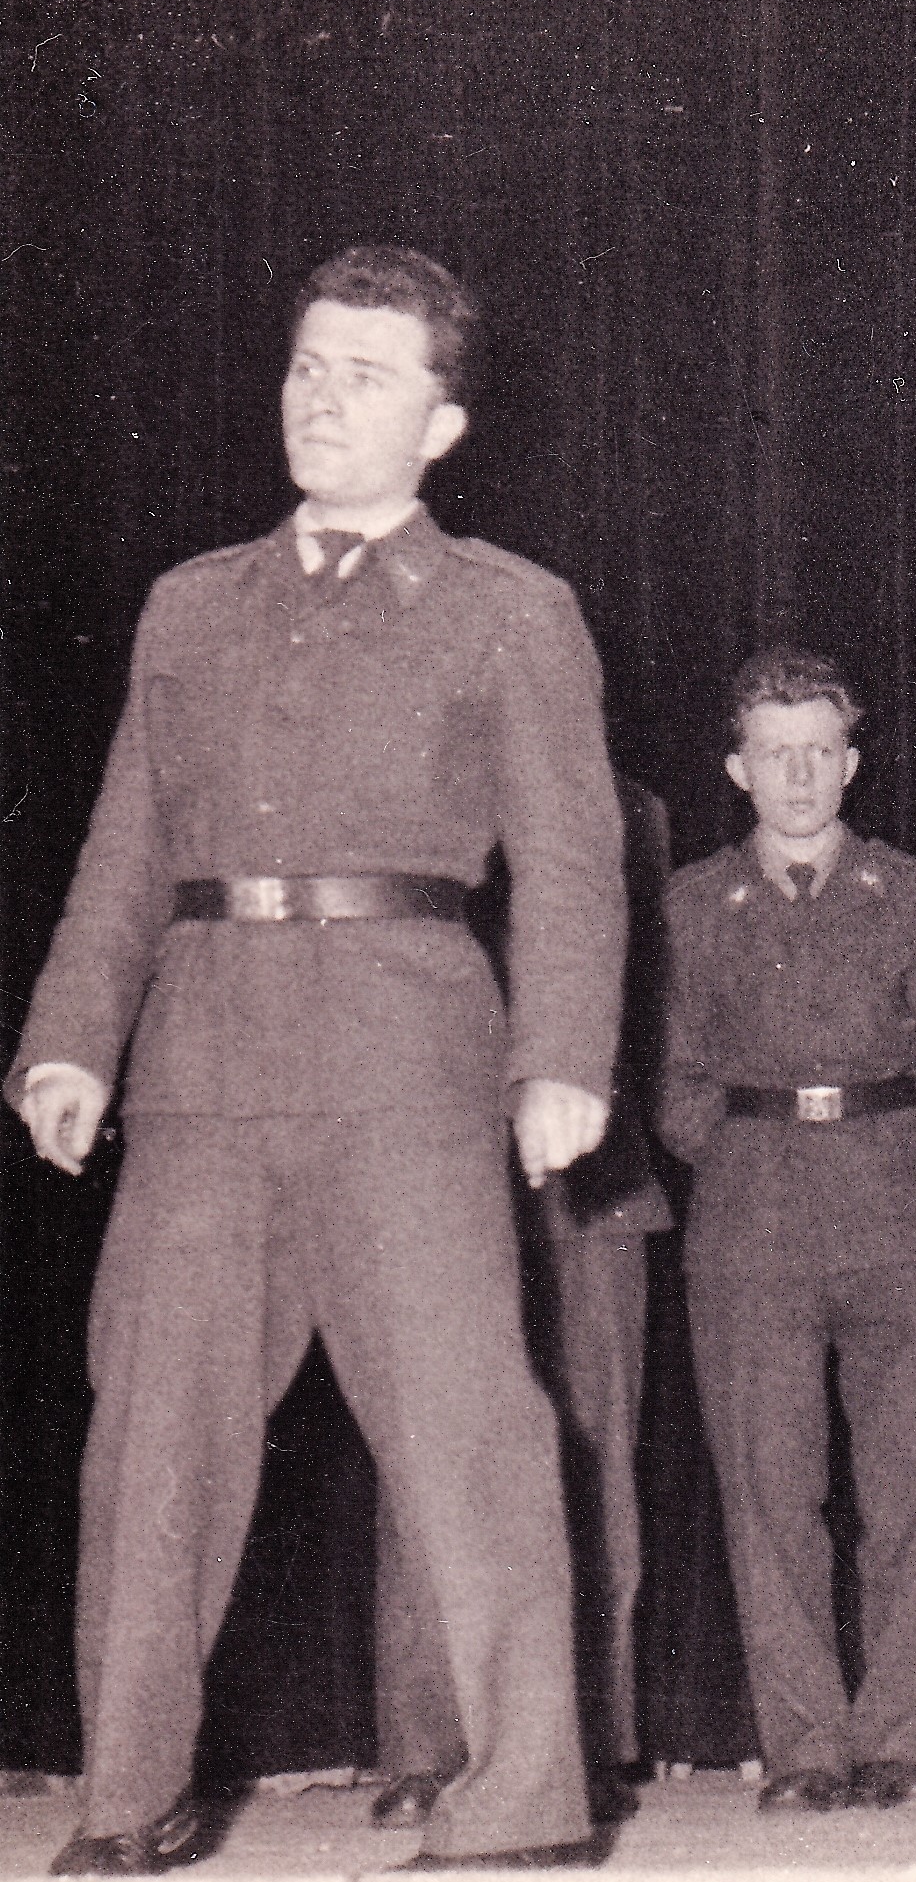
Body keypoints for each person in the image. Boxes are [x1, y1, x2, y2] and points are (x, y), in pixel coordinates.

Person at [8, 245, 616, 1874]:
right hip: (202, 1068)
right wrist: (71, 1039)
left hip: (407, 1071)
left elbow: (571, 861)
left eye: (364, 375)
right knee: (152, 1440)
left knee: (472, 1429)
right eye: (305, 365)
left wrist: (562, 1055)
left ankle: (525, 1799)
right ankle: (127, 1798)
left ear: (442, 423)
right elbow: (126, 847)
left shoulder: (509, 612)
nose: (321, 399)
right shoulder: (191, 604)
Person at [657, 646, 916, 1815]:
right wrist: (750, 1152)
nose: (798, 775)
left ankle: (903, 1743)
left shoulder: (913, 893)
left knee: (915, 1490)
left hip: (895, 1208)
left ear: (851, 761)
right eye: (774, 752)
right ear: (738, 768)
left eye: (819, 750)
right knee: (769, 1492)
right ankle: (804, 1747)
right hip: (752, 1221)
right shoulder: (692, 904)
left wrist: (892, 1153)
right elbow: (674, 1082)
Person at [371, 773, 677, 1828]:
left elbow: (642, 1002)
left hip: (590, 1188)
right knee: (429, 1460)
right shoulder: (411, 784)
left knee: (595, 1468)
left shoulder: (626, 811)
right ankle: (427, 1745)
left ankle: (585, 1744)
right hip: (442, 1170)